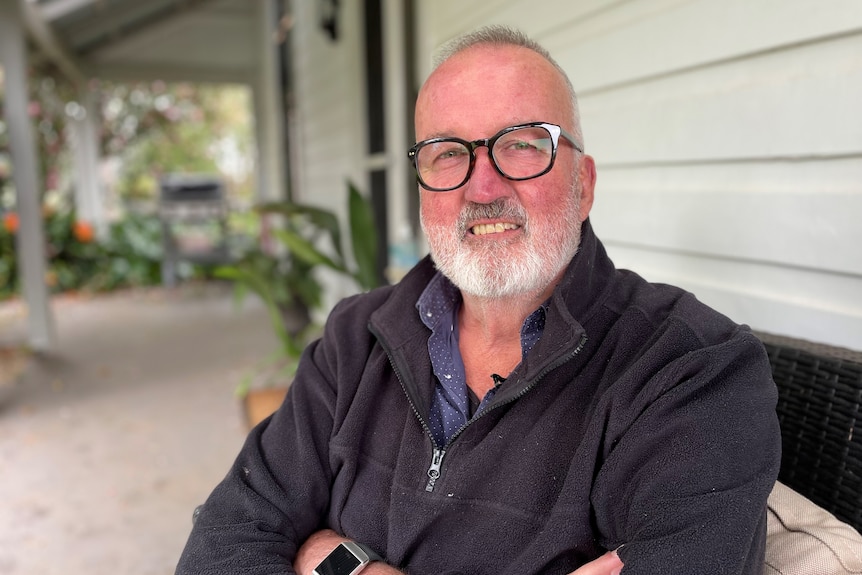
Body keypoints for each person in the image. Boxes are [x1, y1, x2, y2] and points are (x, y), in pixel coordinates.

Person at [176, 25, 781, 575]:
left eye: (521, 144)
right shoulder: (353, 340)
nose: (481, 186)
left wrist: (326, 558)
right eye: (447, 153)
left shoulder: (688, 368)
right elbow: (221, 546)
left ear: (584, 183)